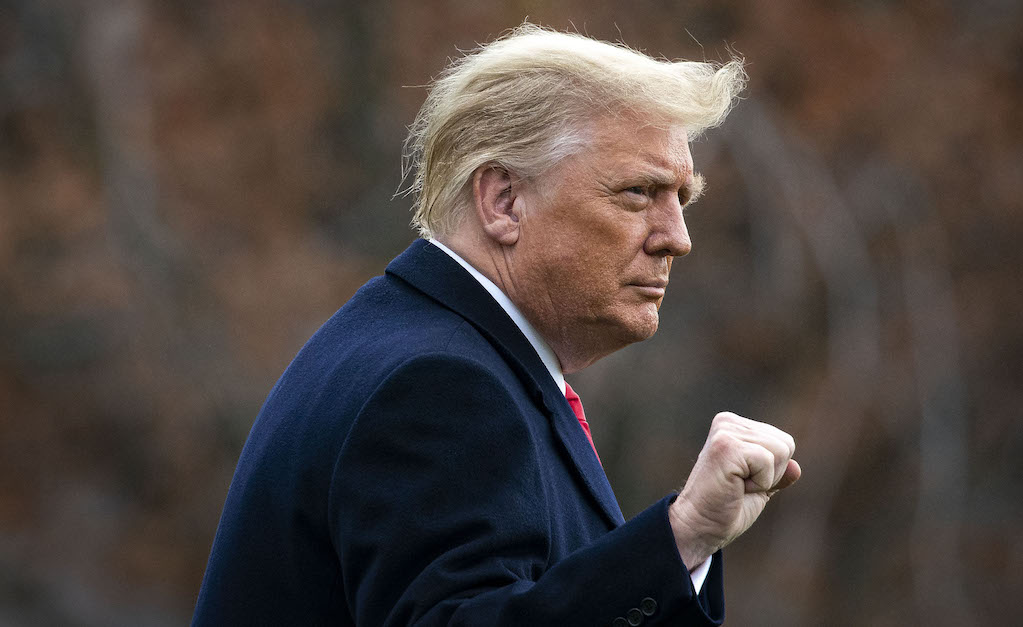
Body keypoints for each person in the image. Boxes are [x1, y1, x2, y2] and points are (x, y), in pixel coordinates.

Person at [192, 24, 801, 626]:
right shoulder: (438, 383)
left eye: (682, 199)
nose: (678, 238)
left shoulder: (434, 350)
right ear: (503, 201)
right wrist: (681, 536)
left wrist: (682, 551)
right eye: (640, 192)